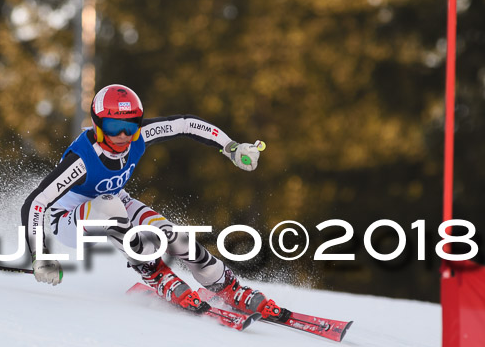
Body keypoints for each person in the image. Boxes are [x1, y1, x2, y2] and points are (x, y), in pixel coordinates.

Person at [21, 84, 290, 322]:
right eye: (115, 127)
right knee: (110, 206)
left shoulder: (139, 136)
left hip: (115, 200)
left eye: (132, 124)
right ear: (98, 125)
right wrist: (40, 255)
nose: (125, 135)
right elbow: (34, 203)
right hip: (68, 220)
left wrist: (231, 147)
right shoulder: (81, 160)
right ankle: (152, 270)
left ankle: (226, 285)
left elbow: (185, 124)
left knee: (175, 237)